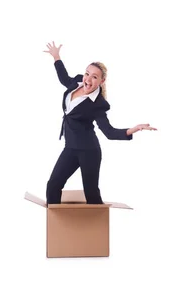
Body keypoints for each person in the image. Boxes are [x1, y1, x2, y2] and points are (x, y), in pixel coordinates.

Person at [43, 41, 157, 205]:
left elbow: (109, 132)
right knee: (53, 185)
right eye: (87, 73)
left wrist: (133, 129)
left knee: (91, 193)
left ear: (102, 81)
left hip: (89, 151)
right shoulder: (76, 82)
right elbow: (63, 78)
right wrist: (56, 57)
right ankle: (57, 226)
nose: (88, 79)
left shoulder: (98, 104)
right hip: (70, 147)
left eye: (94, 77)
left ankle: (95, 229)